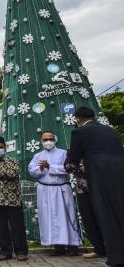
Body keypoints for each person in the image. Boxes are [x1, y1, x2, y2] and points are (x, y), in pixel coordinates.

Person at [68, 106, 124, 266]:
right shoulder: (109, 130)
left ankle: (116, 258)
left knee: (106, 215)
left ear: (77, 119)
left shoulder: (79, 132)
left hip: (100, 175)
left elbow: (73, 158)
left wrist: (71, 164)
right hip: (120, 172)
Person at [28, 132, 81, 256]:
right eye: (45, 139)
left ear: (55, 140)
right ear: (41, 141)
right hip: (45, 190)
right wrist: (40, 168)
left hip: (61, 188)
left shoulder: (63, 153)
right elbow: (31, 170)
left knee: (67, 217)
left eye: (51, 139)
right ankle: (58, 247)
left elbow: (68, 168)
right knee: (49, 218)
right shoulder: (37, 155)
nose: (48, 141)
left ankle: (73, 246)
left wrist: (50, 166)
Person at [65, 154, 106, 259]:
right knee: (88, 220)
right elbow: (67, 167)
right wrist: (79, 164)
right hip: (81, 191)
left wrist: (81, 165)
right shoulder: (73, 151)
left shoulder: (95, 149)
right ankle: (98, 248)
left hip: (100, 190)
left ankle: (111, 247)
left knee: (103, 218)